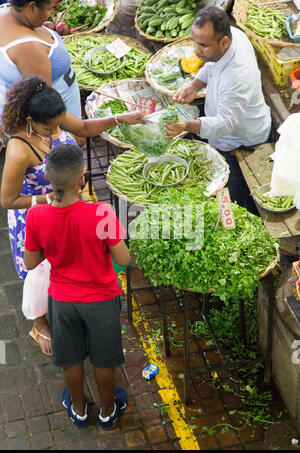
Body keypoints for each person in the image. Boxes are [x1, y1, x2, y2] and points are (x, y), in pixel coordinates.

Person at [0, 75, 145, 356]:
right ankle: (39, 323)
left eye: (58, 124)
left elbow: (85, 127)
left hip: (67, 206)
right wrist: (51, 196)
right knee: (37, 271)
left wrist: (121, 119)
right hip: (37, 215)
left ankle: (67, 309)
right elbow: (7, 200)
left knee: (64, 266)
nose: (56, 130)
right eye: (49, 127)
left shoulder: (52, 114)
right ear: (29, 119)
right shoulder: (19, 149)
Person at [23, 143, 129, 429]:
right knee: (104, 360)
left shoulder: (36, 216)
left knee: (70, 358)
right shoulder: (101, 213)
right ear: (81, 179)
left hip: (62, 300)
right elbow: (124, 258)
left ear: (50, 179)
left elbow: (31, 262)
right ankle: (108, 412)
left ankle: (79, 410)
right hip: (102, 299)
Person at [164, 6, 272, 213]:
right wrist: (195, 86)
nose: (196, 50)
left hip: (241, 144)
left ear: (223, 42)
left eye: (202, 45)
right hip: (227, 133)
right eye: (194, 42)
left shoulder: (238, 75)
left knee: (237, 201)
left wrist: (186, 125)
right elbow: (210, 64)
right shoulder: (232, 38)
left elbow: (226, 123)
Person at [0, 0, 82, 149]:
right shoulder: (28, 48)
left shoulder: (6, 11)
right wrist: (76, 133)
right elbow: (45, 109)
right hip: (55, 128)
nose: (52, 13)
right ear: (32, 7)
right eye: (50, 8)